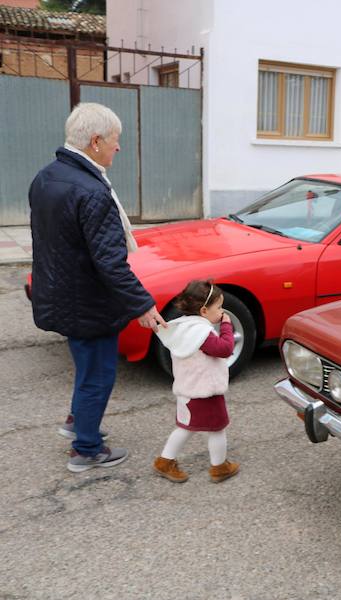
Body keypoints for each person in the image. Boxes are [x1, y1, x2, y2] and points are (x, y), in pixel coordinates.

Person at [29, 102, 166, 473]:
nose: (117, 147)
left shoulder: (46, 177)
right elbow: (109, 261)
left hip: (59, 294)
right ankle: (87, 449)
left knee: (86, 368)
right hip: (87, 304)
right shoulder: (93, 192)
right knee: (99, 376)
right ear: (95, 141)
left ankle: (77, 421)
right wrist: (143, 305)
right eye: (115, 140)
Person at [153, 280, 240, 484]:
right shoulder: (202, 334)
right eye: (218, 307)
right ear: (203, 310)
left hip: (187, 391)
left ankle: (164, 461)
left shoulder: (184, 328)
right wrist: (226, 325)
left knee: (185, 427)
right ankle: (220, 467)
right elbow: (225, 348)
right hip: (205, 392)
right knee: (217, 428)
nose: (221, 312)